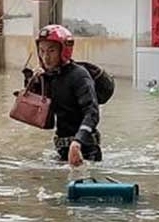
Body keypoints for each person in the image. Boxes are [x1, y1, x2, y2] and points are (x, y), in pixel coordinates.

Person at [21, 25, 102, 166]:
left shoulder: (79, 76)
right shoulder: (47, 77)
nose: (45, 57)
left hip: (86, 150)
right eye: (41, 51)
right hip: (62, 149)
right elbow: (35, 114)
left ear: (64, 50)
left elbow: (92, 113)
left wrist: (77, 142)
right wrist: (33, 82)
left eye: (51, 50)